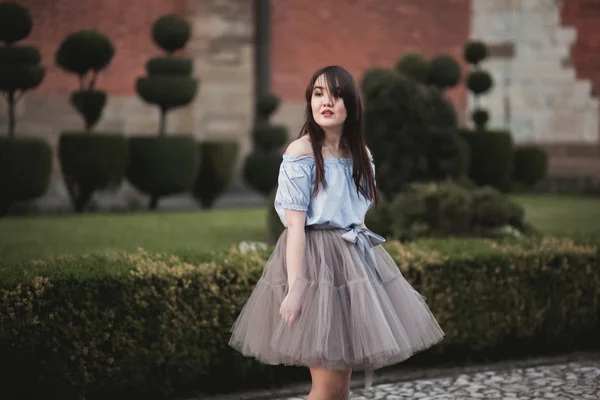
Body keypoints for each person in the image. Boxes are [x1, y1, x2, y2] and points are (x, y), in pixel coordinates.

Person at [229, 65, 444, 400]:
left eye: (335, 94)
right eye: (317, 94)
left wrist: (371, 278)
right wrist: (297, 288)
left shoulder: (360, 154)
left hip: (353, 261)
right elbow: (296, 229)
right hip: (314, 265)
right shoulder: (300, 153)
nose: (325, 102)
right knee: (327, 387)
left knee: (341, 386)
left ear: (351, 105)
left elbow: (357, 217)